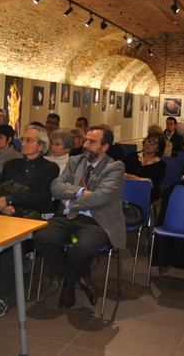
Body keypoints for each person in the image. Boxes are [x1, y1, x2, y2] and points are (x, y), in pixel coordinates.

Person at [33, 126, 125, 309]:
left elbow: (100, 197)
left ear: (105, 147)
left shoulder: (115, 167)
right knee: (41, 237)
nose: (86, 145)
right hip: (68, 219)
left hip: (98, 221)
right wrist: (82, 191)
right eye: (85, 140)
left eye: (92, 142)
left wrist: (69, 202)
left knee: (80, 248)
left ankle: (68, 286)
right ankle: (80, 278)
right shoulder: (75, 161)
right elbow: (56, 187)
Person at [0, 125, 58, 318]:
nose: (22, 143)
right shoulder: (13, 164)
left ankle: (0, 296)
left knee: (8, 238)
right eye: (22, 139)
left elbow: (41, 197)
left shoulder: (50, 168)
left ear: (41, 146)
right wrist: (4, 205)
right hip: (5, 211)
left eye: (28, 140)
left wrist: (10, 200)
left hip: (35, 215)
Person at [123, 132, 166, 201]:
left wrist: (130, 177)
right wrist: (139, 179)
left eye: (153, 143)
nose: (149, 144)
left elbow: (150, 184)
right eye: (148, 140)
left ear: (158, 148)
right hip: (125, 190)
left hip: (146, 195)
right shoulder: (132, 156)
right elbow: (120, 172)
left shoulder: (161, 165)